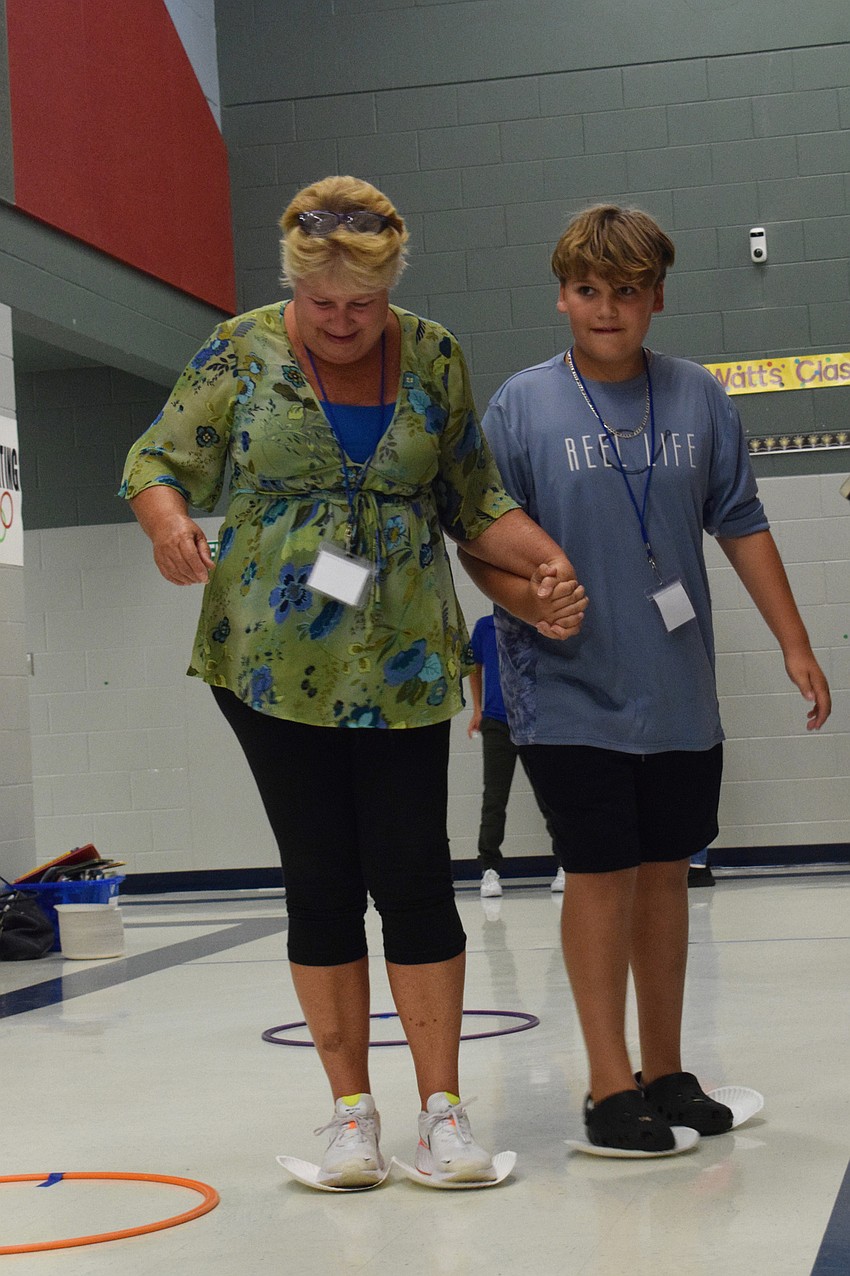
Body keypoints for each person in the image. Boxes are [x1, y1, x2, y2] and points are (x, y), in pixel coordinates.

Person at [120, 176, 587, 1187]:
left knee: (414, 871)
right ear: (294, 283)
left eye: (362, 305)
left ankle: (444, 1115)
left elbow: (474, 497)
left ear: (390, 286)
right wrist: (167, 522)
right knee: (320, 876)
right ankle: (349, 1118)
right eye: (323, 304)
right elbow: (155, 459)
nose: (342, 322)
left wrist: (542, 558)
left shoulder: (432, 355)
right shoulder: (237, 349)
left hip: (407, 655)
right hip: (268, 661)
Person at [460, 204, 831, 1153]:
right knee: (601, 873)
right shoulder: (522, 404)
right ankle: (607, 1087)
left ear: (656, 297)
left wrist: (795, 642)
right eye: (590, 290)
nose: (608, 308)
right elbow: (480, 545)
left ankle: (665, 1072)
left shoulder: (700, 397)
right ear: (562, 296)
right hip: (568, 689)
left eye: (628, 291)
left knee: (668, 872)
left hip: (676, 689)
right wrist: (529, 604)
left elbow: (740, 522)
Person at [467, 611, 565, 896]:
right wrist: (477, 709)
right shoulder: (485, 626)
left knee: (549, 795)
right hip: (497, 721)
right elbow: (475, 666)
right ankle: (489, 868)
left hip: (533, 719)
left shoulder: (535, 621)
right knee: (494, 798)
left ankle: (565, 863)